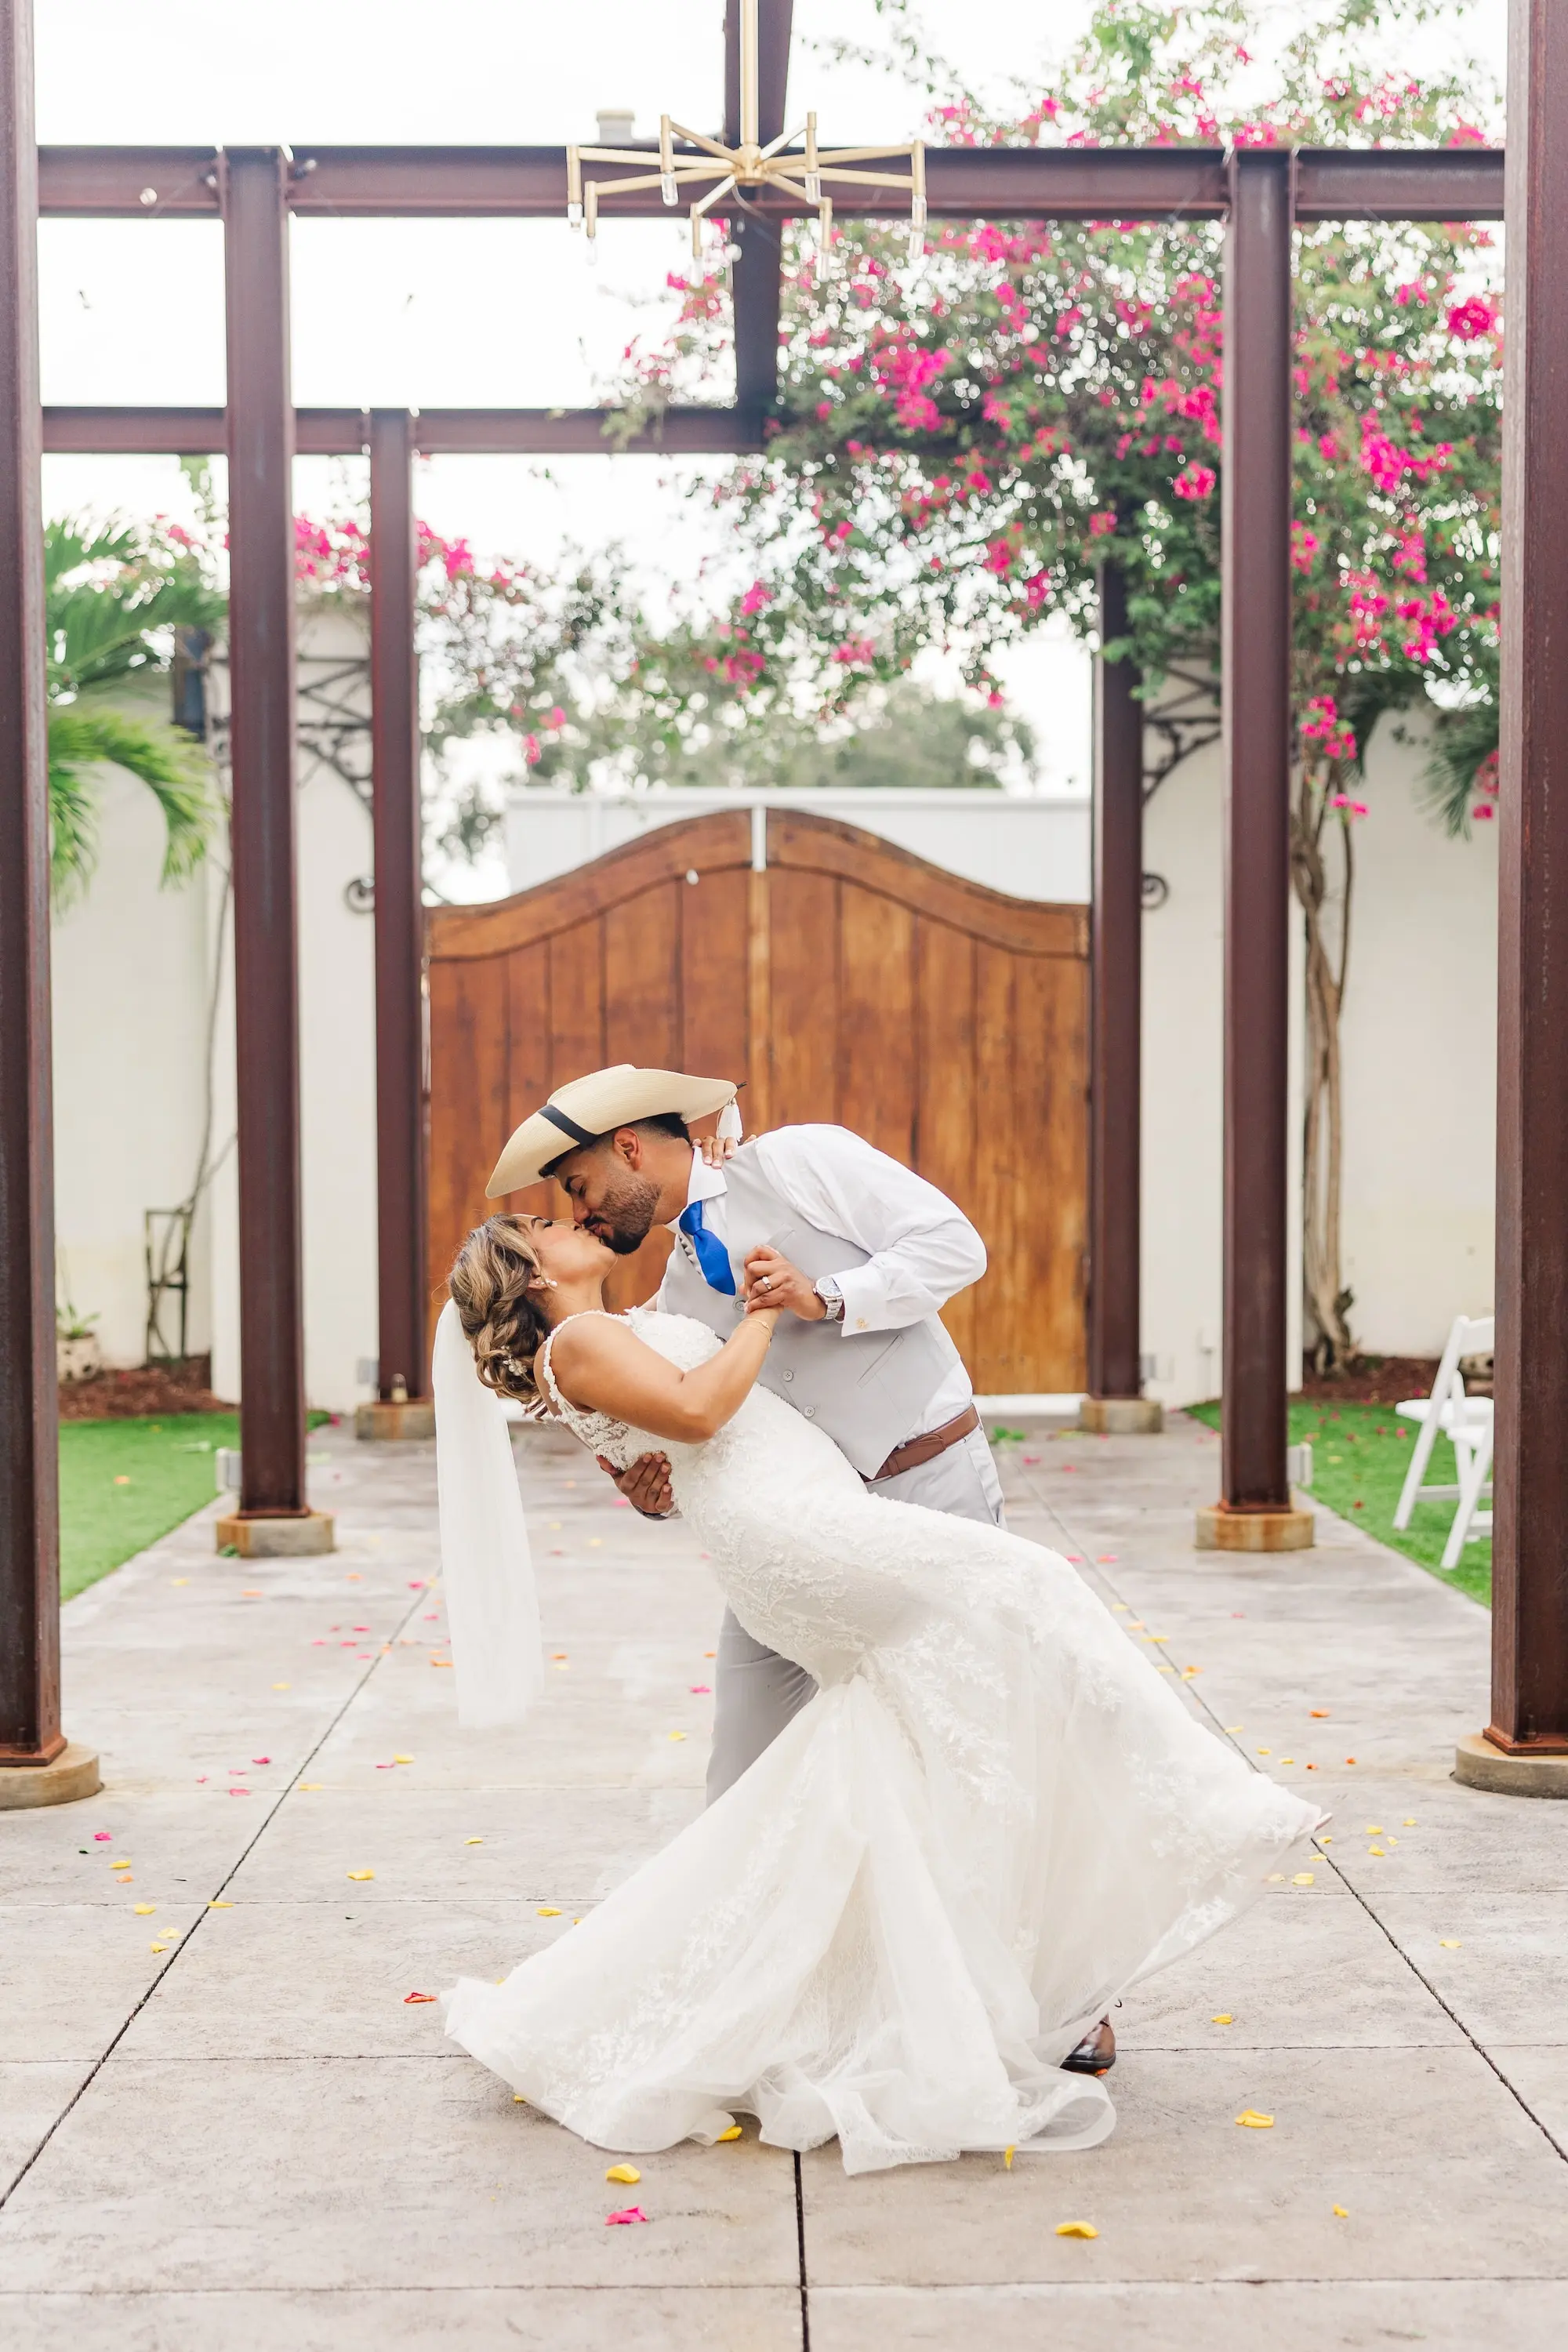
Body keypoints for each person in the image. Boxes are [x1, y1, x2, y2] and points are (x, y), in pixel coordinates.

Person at [434, 1197, 1322, 2174]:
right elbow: (695, 1410)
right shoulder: (581, 1341)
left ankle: (915, 1985)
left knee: (895, 1745)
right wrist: (769, 1313)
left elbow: (657, 1446)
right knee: (1025, 1585)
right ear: (532, 1275)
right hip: (790, 1532)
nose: (571, 1221)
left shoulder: (615, 1325)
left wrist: (664, 1445)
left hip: (795, 1512)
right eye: (546, 1227)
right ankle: (1208, 1804)